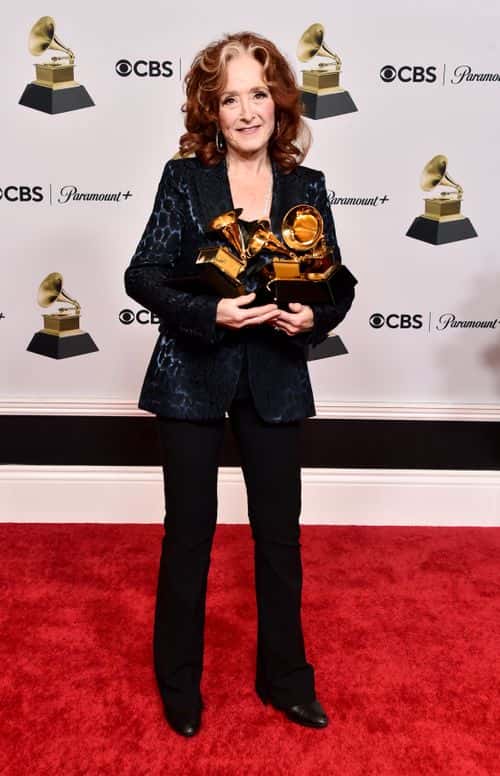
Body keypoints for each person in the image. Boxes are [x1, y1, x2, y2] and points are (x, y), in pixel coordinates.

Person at [124, 31, 355, 738]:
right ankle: (179, 685)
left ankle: (286, 680)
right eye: (231, 97)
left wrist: (313, 314)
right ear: (211, 110)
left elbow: (336, 284)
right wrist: (211, 311)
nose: (247, 110)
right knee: (188, 535)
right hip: (192, 375)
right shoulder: (184, 180)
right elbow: (143, 275)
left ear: (279, 102)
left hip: (277, 380)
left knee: (279, 539)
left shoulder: (305, 186)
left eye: (259, 93)